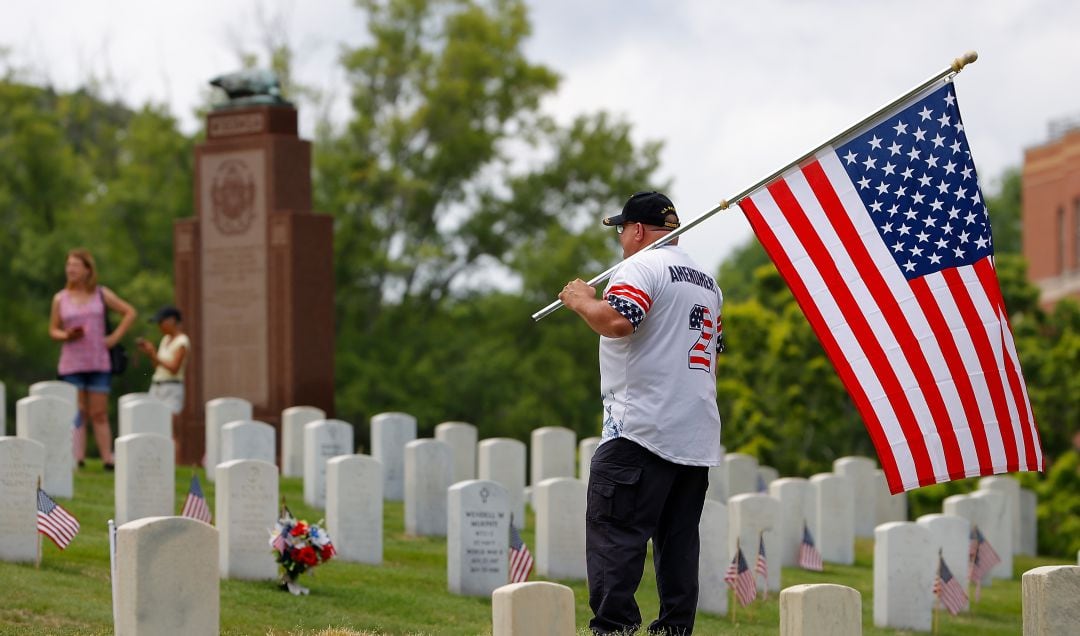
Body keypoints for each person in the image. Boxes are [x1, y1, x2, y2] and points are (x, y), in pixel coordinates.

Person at [558, 191, 724, 635]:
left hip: (640, 430)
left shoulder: (640, 266)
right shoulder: (708, 282)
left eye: (620, 231)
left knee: (615, 536)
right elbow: (715, 353)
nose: (619, 239)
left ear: (636, 231)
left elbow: (619, 321)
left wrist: (579, 301)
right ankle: (674, 629)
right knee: (678, 547)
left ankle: (614, 630)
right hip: (694, 436)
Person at [49, 248, 137, 469]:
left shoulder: (101, 294)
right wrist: (67, 335)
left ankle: (107, 458)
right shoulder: (60, 298)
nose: (71, 269)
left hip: (99, 361)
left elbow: (129, 312)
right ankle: (77, 458)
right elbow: (53, 330)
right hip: (72, 362)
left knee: (99, 412)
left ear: (88, 270)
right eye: (68, 265)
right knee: (77, 411)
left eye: (76, 265)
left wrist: (114, 337)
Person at [136, 305, 189, 445]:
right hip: (157, 385)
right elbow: (157, 366)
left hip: (172, 388)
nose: (159, 326)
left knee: (170, 429)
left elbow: (174, 368)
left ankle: (174, 464)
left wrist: (154, 354)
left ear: (172, 321)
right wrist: (150, 354)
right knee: (153, 426)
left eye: (161, 322)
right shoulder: (165, 339)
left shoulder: (182, 342)